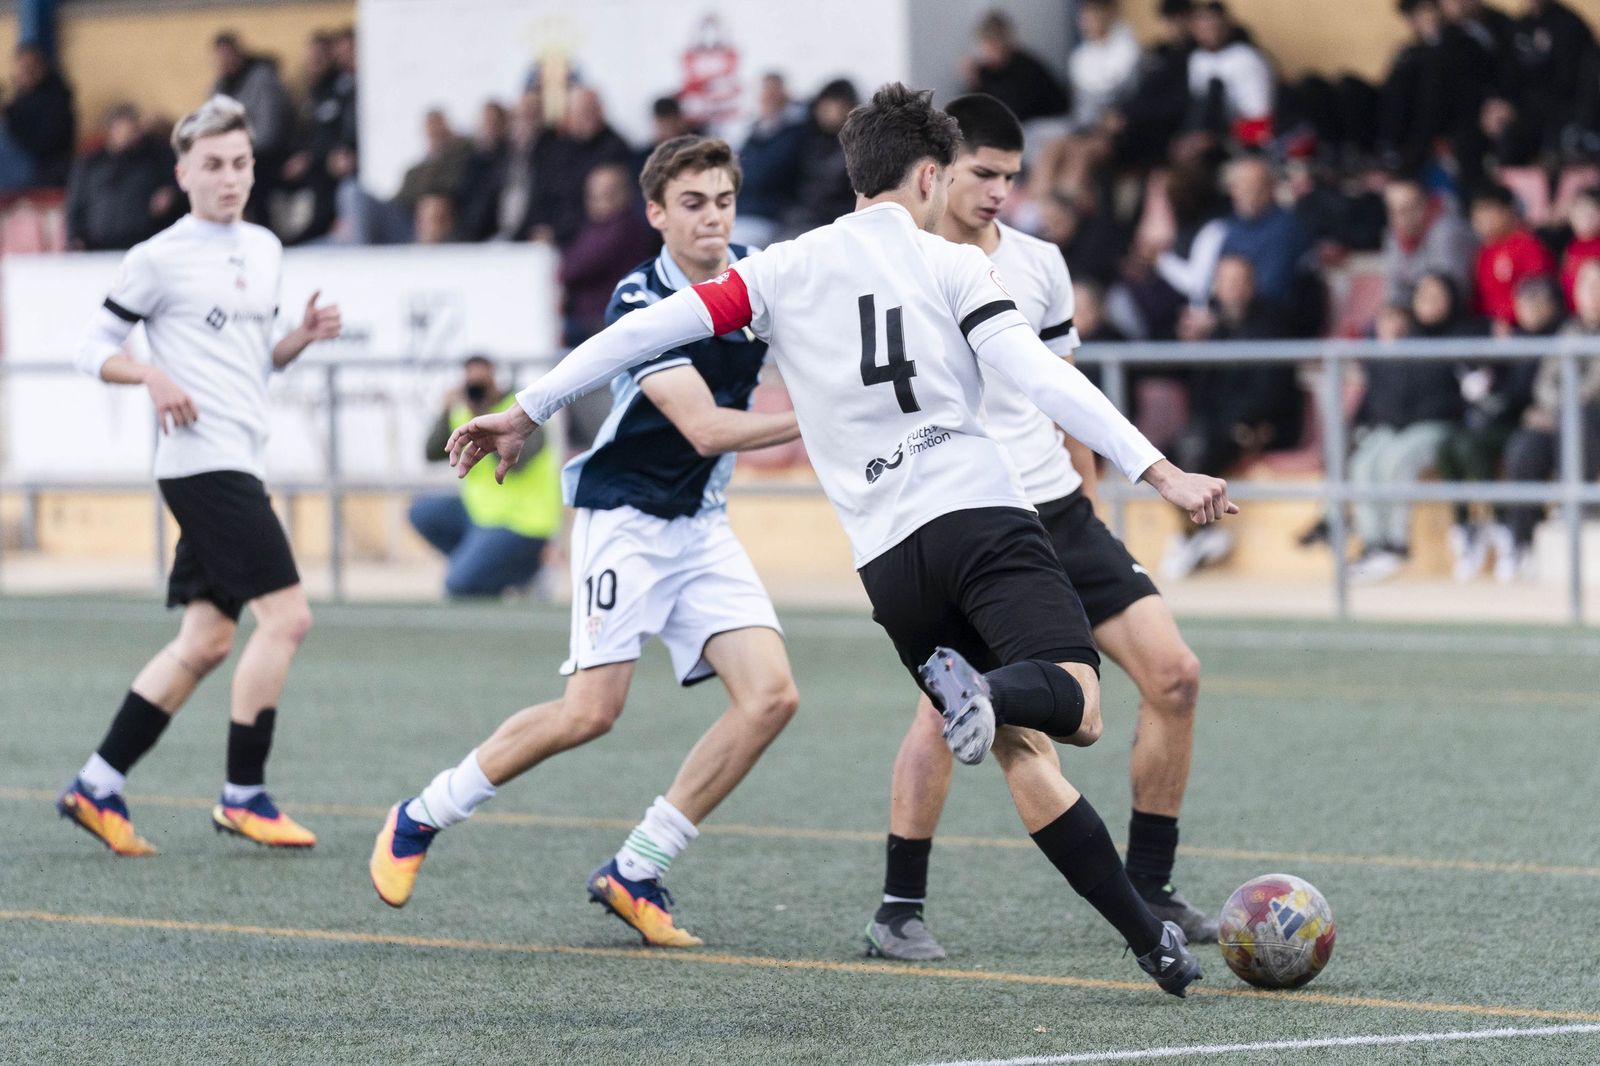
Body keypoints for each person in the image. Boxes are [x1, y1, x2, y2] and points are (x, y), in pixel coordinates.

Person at [437, 84, 1232, 995]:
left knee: (1016, 747)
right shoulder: (953, 264)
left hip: (890, 565)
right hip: (979, 517)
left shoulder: (780, 268)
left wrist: (527, 407)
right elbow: (1043, 379)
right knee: (1079, 707)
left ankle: (1148, 943)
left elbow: (644, 327)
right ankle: (990, 700)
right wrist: (1160, 471)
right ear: (929, 175)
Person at [370, 135, 805, 950]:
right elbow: (706, 428)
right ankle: (421, 814)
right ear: (654, 214)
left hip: (700, 527)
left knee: (773, 696)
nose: (711, 219)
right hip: (626, 523)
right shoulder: (641, 301)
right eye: (691, 204)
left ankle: (637, 868)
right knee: (589, 714)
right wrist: (831, 415)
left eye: (722, 201)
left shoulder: (761, 276)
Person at [862, 94, 1216, 966]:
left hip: (1059, 509)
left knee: (1174, 676)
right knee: (944, 709)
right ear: (937, 171)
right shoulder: (904, 266)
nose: (998, 192)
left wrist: (1093, 501)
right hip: (973, 519)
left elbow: (1065, 391)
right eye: (983, 173)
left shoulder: (1041, 263)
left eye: (1012, 178)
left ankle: (1151, 884)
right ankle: (898, 905)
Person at [55, 95, 341, 856]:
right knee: (289, 619)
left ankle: (97, 784)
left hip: (238, 457)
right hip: (200, 462)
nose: (229, 178)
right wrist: (148, 375)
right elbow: (91, 347)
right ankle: (244, 795)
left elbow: (256, 361)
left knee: (208, 640)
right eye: (212, 165)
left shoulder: (268, 249)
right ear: (183, 173)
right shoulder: (158, 257)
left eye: (240, 163)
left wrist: (300, 339)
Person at [1162, 255, 1300, 579]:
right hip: (1217, 423)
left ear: (1251, 286)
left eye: (1239, 280)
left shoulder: (1271, 325)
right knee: (1169, 452)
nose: (1232, 288)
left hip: (1262, 425)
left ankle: (1196, 534)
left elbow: (1273, 393)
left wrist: (1252, 427)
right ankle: (1199, 533)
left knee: (1200, 449)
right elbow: (1198, 389)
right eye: (1225, 281)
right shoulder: (1214, 330)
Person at [1342, 285, 1467, 583]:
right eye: (1387, 317)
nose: (1393, 325)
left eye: (1399, 317)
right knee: (1362, 463)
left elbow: (1442, 402)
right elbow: (1373, 407)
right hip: (1396, 428)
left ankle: (1396, 545)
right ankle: (1373, 544)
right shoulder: (1379, 356)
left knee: (1395, 460)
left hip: (1433, 425)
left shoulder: (1436, 343)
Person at [408, 356, 562, 597]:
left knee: (457, 585)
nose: (477, 390)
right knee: (421, 511)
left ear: (496, 380)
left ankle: (526, 570)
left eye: (482, 382)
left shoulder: (523, 410)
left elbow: (519, 463)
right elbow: (431, 453)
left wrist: (487, 417)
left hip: (521, 523)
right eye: (471, 383)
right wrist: (446, 411)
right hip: (479, 515)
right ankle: (487, 568)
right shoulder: (464, 411)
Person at [1495, 262, 1600, 579]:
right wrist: (1558, 410)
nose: (1594, 295)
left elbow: (1594, 387)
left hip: (1591, 418)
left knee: (1580, 421)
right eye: (1589, 288)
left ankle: (1578, 507)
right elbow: (1546, 384)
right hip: (1564, 416)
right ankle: (1521, 541)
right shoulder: (1570, 331)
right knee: (1526, 444)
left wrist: (1564, 408)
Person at [66, 104, 182, 251]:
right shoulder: (90, 164)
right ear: (109, 130)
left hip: (142, 243)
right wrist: (74, 237)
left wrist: (170, 193)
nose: (126, 134)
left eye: (131, 129)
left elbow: (178, 185)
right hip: (96, 246)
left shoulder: (156, 158)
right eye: (120, 128)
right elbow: (75, 205)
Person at [1470, 182, 1555, 330]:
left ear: (1508, 211)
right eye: (1478, 212)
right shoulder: (1484, 252)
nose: (1482, 219)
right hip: (1487, 327)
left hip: (1522, 329)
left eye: (1488, 210)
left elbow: (1537, 294)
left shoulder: (1528, 246)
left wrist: (1507, 320)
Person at [1380, 176, 1477, 306]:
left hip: (1461, 314)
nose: (1406, 217)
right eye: (1397, 211)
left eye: (1411, 208)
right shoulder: (1392, 235)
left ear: (1425, 204)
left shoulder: (1448, 231)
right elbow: (1395, 292)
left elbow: (1448, 296)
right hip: (1419, 310)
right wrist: (1394, 313)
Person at [961, 11, 1070, 125]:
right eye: (987, 42)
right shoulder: (983, 70)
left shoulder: (1026, 67)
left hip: (1049, 122)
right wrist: (971, 82)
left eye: (995, 41)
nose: (990, 48)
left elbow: (1011, 112)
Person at [0, 43, 76, 190]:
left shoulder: (56, 100)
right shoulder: (21, 98)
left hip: (42, 167)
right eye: (22, 67)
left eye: (31, 66)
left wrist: (9, 121)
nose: (26, 72)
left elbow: (44, 143)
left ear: (42, 67)